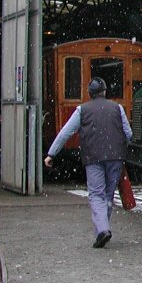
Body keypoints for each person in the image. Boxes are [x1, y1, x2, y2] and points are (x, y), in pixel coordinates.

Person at [45, 76, 133, 248]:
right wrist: (119, 148)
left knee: (96, 194)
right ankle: (103, 230)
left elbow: (65, 133)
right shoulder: (118, 108)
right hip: (115, 157)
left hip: (93, 158)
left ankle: (103, 230)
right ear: (105, 92)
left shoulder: (82, 110)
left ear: (89, 93)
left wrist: (51, 153)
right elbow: (128, 133)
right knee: (108, 195)